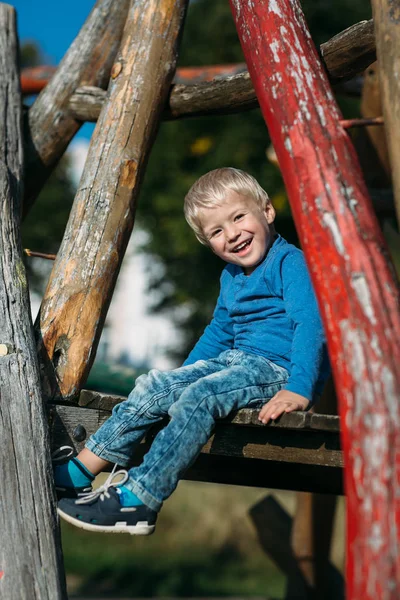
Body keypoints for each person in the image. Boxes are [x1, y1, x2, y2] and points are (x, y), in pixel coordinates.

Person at [56, 167, 330, 535]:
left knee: (202, 395)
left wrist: (299, 388)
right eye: (217, 231)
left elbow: (311, 325)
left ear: (266, 211)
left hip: (275, 370)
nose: (232, 235)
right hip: (235, 364)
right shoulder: (231, 277)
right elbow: (218, 333)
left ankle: (139, 499)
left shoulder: (290, 263)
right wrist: (178, 380)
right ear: (208, 242)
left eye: (238, 217)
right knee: (155, 384)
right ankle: (78, 472)